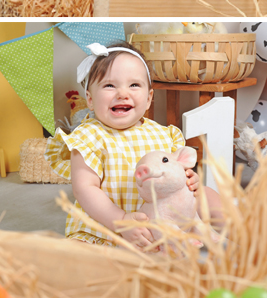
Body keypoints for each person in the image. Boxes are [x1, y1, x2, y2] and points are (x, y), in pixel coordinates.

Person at [46, 41, 221, 250]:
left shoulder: (162, 134)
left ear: (148, 99)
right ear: (90, 100)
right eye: (109, 85)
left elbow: (174, 171)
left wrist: (189, 181)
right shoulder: (88, 137)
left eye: (134, 85)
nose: (122, 93)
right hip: (106, 227)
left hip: (163, 220)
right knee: (77, 254)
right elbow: (84, 189)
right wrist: (121, 221)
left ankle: (239, 229)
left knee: (206, 194)